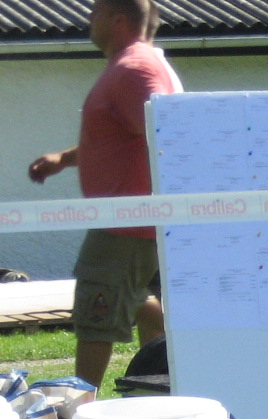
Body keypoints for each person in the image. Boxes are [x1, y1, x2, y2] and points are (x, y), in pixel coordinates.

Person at [27, 0, 182, 390]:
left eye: (95, 11)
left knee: (95, 318)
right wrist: (64, 159)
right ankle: (162, 384)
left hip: (124, 227)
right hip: (134, 222)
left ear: (119, 20)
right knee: (142, 304)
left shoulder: (135, 68)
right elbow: (121, 139)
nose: (88, 19)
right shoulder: (130, 65)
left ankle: (77, 417)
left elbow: (164, 129)